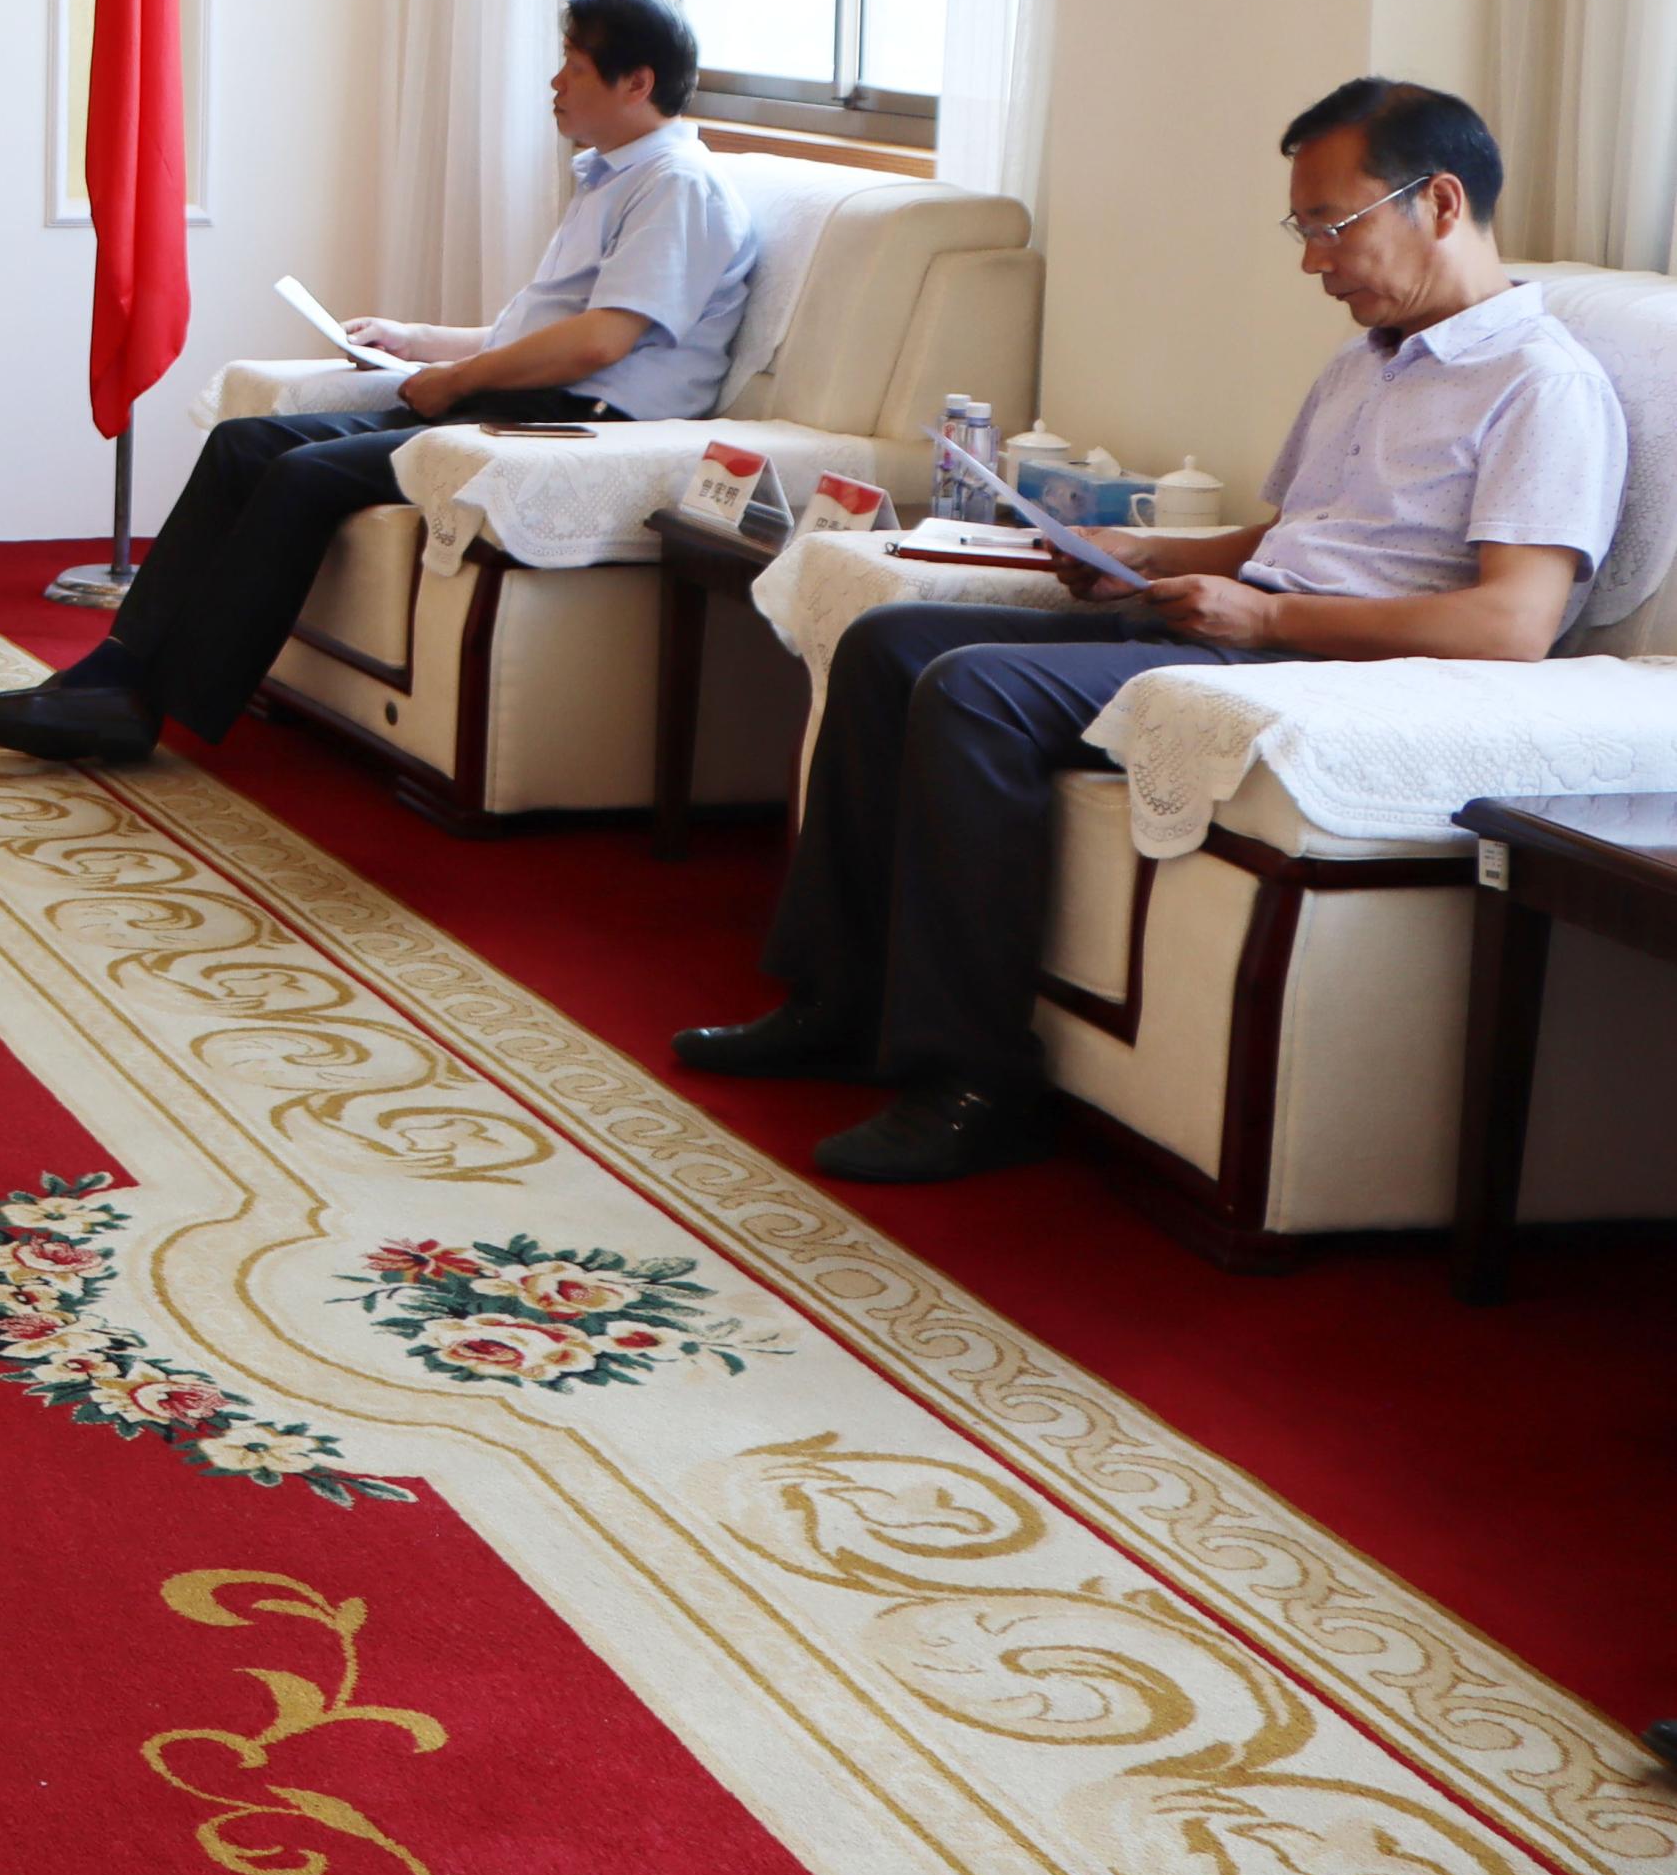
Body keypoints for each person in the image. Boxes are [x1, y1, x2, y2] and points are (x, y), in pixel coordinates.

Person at [683, 78, 1622, 1182]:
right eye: (1302, 229)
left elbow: (1512, 623)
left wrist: (1266, 613)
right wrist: (1152, 555)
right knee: (889, 643)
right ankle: (836, 1002)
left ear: (1441, 201)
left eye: (1331, 225)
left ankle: (973, 1078)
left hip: (1320, 665)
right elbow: (1293, 534)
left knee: (972, 690)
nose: (1313, 262)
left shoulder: (1542, 385)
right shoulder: (1366, 360)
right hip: (1245, 624)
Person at [0, 0, 762, 766]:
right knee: (243, 444)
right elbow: (533, 331)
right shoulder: (614, 177)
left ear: (637, 82)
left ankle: (152, 703)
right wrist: (414, 340)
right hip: (521, 398)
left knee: (301, 475)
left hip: (574, 423)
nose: (555, 82)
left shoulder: (678, 186)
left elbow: (602, 341)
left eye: (574, 66)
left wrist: (458, 381)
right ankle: (115, 668)